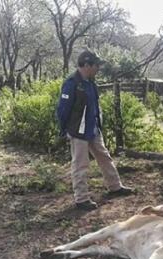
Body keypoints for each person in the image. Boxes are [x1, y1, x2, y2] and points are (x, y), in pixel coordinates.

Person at [56, 49, 134, 210]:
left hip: (93, 129)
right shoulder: (71, 83)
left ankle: (115, 187)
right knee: (81, 164)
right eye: (96, 65)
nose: (98, 68)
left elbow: (94, 106)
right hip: (78, 131)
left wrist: (99, 124)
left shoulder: (91, 82)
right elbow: (62, 109)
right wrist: (64, 130)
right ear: (86, 65)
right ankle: (81, 199)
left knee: (104, 157)